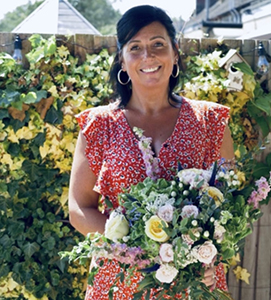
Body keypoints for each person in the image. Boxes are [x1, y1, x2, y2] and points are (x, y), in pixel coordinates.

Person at [68, 5, 235, 300]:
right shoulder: (99, 125)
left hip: (194, 282)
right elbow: (80, 210)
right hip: (118, 280)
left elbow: (228, 207)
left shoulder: (211, 122)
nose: (148, 56)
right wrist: (140, 248)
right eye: (135, 47)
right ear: (122, 59)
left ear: (175, 53)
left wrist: (206, 254)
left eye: (158, 44)